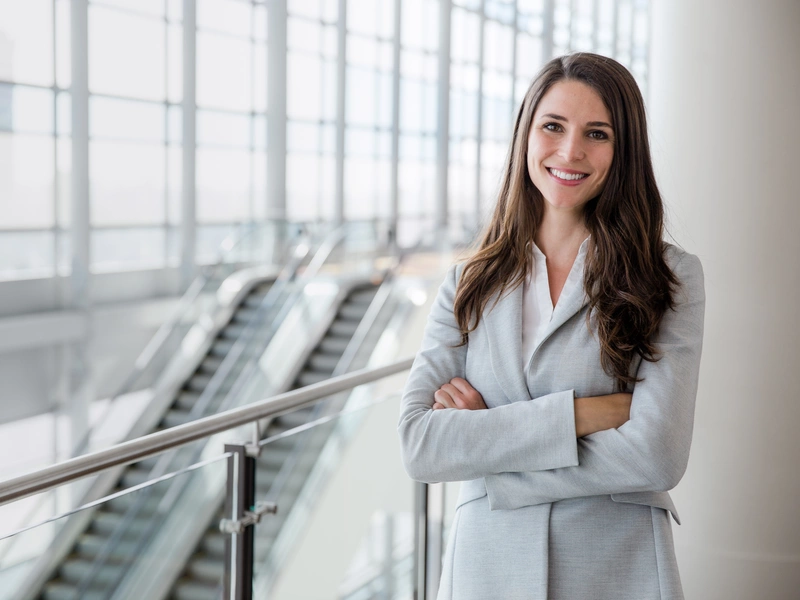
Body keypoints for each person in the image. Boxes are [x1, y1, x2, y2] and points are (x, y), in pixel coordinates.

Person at [398, 52, 705, 600]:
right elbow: (421, 445)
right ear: (526, 134)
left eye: (597, 133)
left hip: (617, 566)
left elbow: (657, 455)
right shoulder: (468, 283)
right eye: (553, 126)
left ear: (624, 150)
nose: (570, 151)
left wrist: (487, 443)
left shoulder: (669, 276)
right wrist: (584, 415)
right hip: (487, 570)